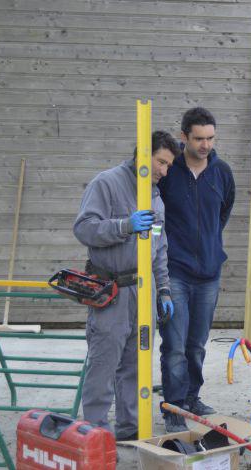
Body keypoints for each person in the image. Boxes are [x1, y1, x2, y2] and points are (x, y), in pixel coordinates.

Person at [74, 131, 180, 440]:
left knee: (135, 365)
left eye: (169, 165)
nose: (164, 170)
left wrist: (163, 290)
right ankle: (95, 435)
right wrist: (123, 226)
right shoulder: (106, 184)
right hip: (111, 290)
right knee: (104, 364)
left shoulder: (155, 196)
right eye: (161, 162)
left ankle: (129, 430)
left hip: (142, 290)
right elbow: (84, 229)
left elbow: (159, 248)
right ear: (141, 156)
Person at [157, 107, 235, 431]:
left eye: (211, 138)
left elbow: (223, 212)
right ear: (184, 137)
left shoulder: (222, 173)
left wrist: (209, 248)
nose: (206, 145)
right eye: (199, 138)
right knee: (174, 344)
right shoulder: (170, 171)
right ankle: (173, 408)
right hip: (175, 271)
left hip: (209, 274)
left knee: (197, 343)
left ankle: (191, 397)